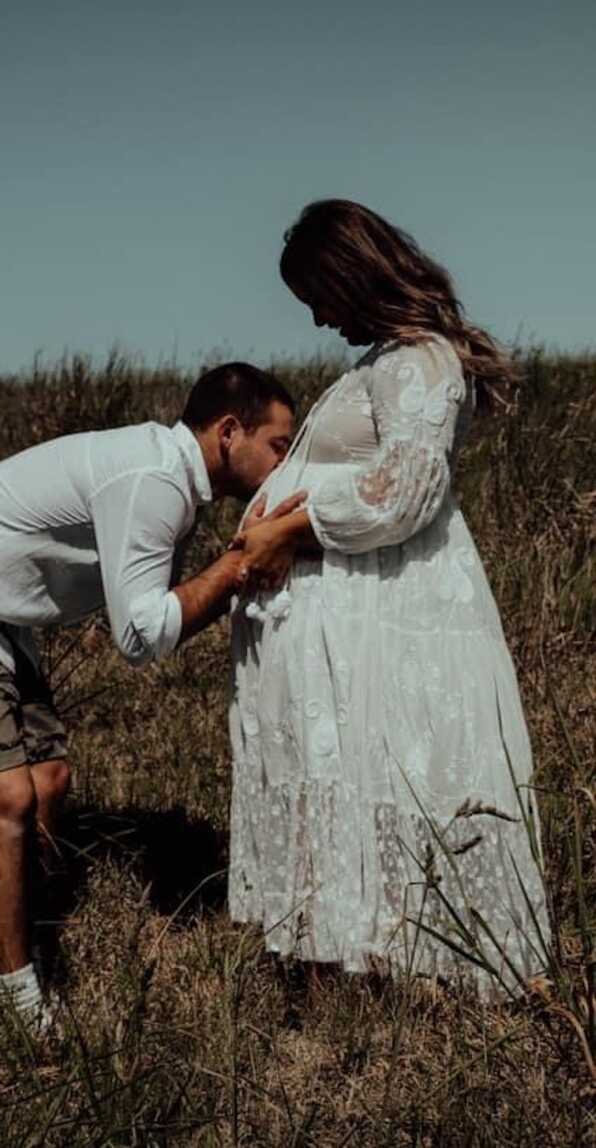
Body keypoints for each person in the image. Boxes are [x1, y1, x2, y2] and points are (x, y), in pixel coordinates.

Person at [0, 361, 302, 1032]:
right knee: (7, 796)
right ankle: (19, 1006)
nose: (283, 464)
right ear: (229, 432)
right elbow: (140, 634)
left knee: (50, 780)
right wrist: (240, 563)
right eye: (277, 446)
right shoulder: (153, 479)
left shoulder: (168, 478)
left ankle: (31, 931)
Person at [227, 200, 551, 997]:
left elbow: (404, 489)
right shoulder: (385, 362)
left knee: (404, 777)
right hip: (351, 613)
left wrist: (287, 531)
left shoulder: (418, 362)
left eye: (315, 296)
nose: (315, 318)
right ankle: (352, 965)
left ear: (348, 278)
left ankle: (414, 979)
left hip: (389, 611)